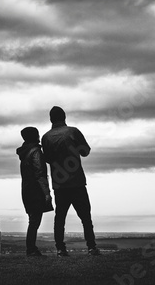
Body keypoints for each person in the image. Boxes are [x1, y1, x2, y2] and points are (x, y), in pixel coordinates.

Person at [42, 106, 100, 256]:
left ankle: (60, 249)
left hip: (59, 184)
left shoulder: (46, 137)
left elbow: (47, 159)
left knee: (60, 218)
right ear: (64, 117)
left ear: (50, 119)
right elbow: (85, 152)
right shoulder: (73, 132)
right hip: (77, 182)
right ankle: (91, 247)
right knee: (86, 217)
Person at [16, 126, 54, 257]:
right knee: (34, 221)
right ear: (35, 136)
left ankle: (31, 248)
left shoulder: (24, 153)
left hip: (26, 190)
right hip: (36, 190)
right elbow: (40, 174)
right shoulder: (36, 151)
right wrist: (47, 193)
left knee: (33, 220)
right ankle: (31, 249)